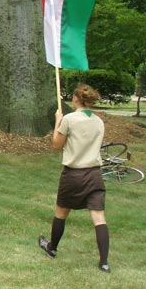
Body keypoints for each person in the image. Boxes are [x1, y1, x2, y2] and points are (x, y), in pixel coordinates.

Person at [39, 84, 110, 273]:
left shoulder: (69, 119)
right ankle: (104, 262)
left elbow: (56, 145)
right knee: (99, 217)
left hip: (73, 174)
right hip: (94, 174)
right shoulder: (99, 122)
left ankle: (52, 248)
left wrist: (57, 121)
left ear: (76, 99)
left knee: (61, 212)